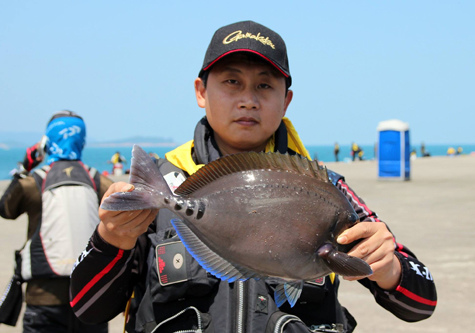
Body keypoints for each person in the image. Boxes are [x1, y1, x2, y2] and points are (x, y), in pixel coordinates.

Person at [69, 21, 437, 333]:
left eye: (264, 85)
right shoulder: (161, 185)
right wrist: (111, 240)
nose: (248, 100)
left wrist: (388, 266)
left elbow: (420, 304)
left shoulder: (328, 188)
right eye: (231, 82)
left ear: (286, 100)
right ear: (201, 91)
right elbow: (87, 309)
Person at [0, 110, 113, 333]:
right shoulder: (99, 182)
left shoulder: (32, 183)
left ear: (47, 141)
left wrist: (24, 167)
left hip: (43, 299)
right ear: (81, 140)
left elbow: (5, 209)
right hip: (90, 299)